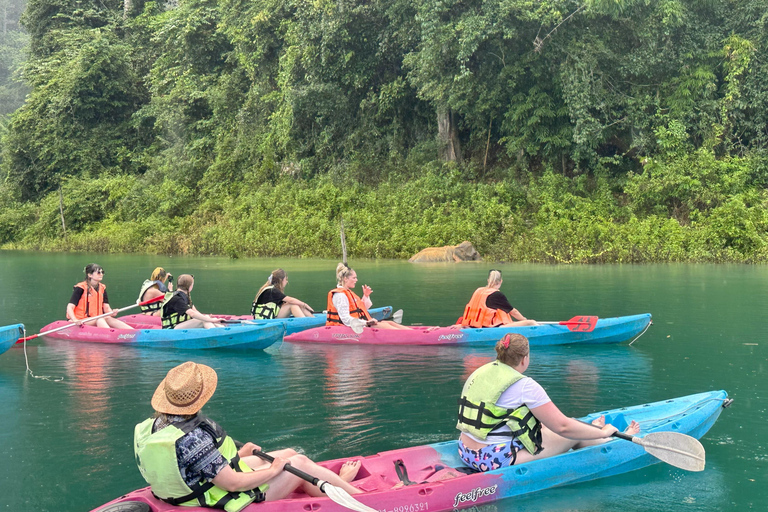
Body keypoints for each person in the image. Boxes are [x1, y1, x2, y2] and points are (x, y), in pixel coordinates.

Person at [134, 361, 362, 509]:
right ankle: (358, 496)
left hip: (187, 487)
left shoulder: (153, 424)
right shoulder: (193, 437)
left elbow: (189, 463)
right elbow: (232, 483)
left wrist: (239, 455)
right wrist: (274, 470)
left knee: (289, 453)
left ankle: (333, 484)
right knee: (298, 462)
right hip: (215, 497)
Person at [456, 333, 639, 471]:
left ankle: (592, 431)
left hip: (465, 450)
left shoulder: (480, 372)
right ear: (525, 358)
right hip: (491, 459)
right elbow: (564, 427)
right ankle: (608, 438)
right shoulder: (524, 385)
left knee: (551, 427)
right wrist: (603, 430)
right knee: (572, 430)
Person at [327, 262, 410, 330]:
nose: (356, 280)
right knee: (386, 326)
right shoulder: (340, 295)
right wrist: (366, 323)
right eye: (354, 278)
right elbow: (345, 319)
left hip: (360, 324)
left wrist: (365, 296)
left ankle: (416, 332)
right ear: (345, 279)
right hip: (346, 328)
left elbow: (360, 311)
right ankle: (412, 336)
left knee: (390, 323)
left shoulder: (348, 293)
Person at [457, 269, 536, 328]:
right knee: (531, 322)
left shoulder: (478, 290)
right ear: (501, 281)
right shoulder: (497, 295)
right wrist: (524, 320)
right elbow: (513, 312)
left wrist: (462, 325)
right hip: (491, 328)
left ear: (488, 280)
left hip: (472, 325)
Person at [66, 263, 134, 329]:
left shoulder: (102, 288)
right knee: (100, 319)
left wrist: (112, 313)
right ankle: (110, 335)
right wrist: (75, 320)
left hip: (95, 318)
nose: (101, 274)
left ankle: (132, 331)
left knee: (108, 318)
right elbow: (70, 307)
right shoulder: (80, 288)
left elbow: (106, 308)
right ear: (90, 275)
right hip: (81, 320)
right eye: (98, 272)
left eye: (102, 272)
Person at [161, 274, 225, 329]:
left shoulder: (185, 296)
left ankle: (223, 330)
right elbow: (192, 313)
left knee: (206, 318)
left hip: (180, 325)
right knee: (203, 320)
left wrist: (214, 320)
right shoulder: (176, 298)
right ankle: (216, 334)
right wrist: (211, 320)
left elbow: (195, 311)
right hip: (172, 328)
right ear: (190, 286)